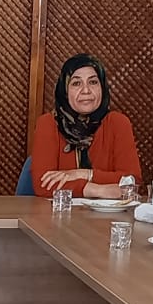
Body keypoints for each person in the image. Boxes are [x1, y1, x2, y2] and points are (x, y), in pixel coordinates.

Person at [31, 54, 142, 199]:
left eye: (93, 82)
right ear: (64, 90)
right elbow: (42, 184)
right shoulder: (48, 124)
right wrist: (94, 189)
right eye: (76, 83)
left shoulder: (118, 123)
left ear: (102, 87)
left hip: (108, 218)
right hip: (60, 216)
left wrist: (84, 174)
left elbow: (132, 181)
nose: (86, 90)